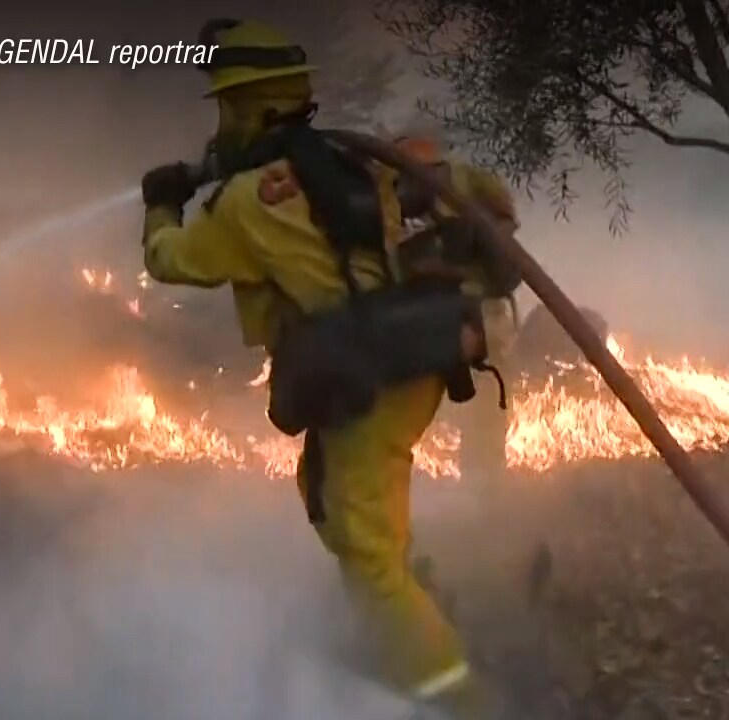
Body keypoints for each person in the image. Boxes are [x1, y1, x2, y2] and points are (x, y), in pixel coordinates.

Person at [138, 18, 505, 718]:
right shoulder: (349, 161)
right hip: (404, 358)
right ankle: (414, 617)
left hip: (366, 374)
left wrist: (161, 204)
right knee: (343, 513)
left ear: (254, 108)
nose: (220, 127)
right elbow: (454, 192)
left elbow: (171, 260)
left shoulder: (244, 203)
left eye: (226, 109)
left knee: (367, 557)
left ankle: (459, 702)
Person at [391, 130, 523, 484]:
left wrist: (484, 234)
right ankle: (431, 482)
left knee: (486, 406)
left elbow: (508, 223)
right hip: (430, 315)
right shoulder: (388, 201)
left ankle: (484, 481)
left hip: (484, 311)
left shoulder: (467, 181)